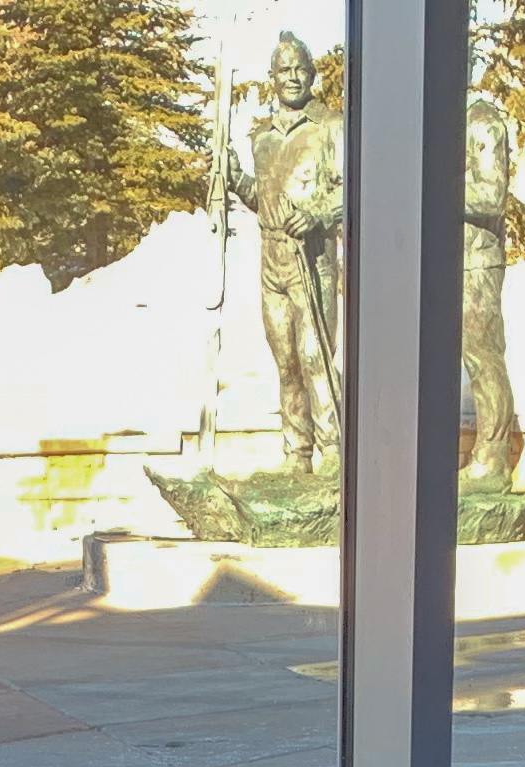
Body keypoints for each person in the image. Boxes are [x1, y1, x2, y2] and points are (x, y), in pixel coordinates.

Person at [226, 35, 345, 473]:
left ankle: (333, 454)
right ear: (272, 78)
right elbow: (263, 197)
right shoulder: (262, 139)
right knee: (287, 361)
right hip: (271, 261)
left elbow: (350, 192)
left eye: (300, 69)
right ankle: (297, 453)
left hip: (311, 260)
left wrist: (316, 214)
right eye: (284, 70)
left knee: (316, 357)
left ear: (311, 75)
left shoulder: (332, 126)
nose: (292, 77)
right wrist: (236, 179)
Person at [463, 95, 522, 486]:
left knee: (483, 359)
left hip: (477, 263)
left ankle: (492, 460)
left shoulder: (483, 122)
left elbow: (492, 195)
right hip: (445, 261)